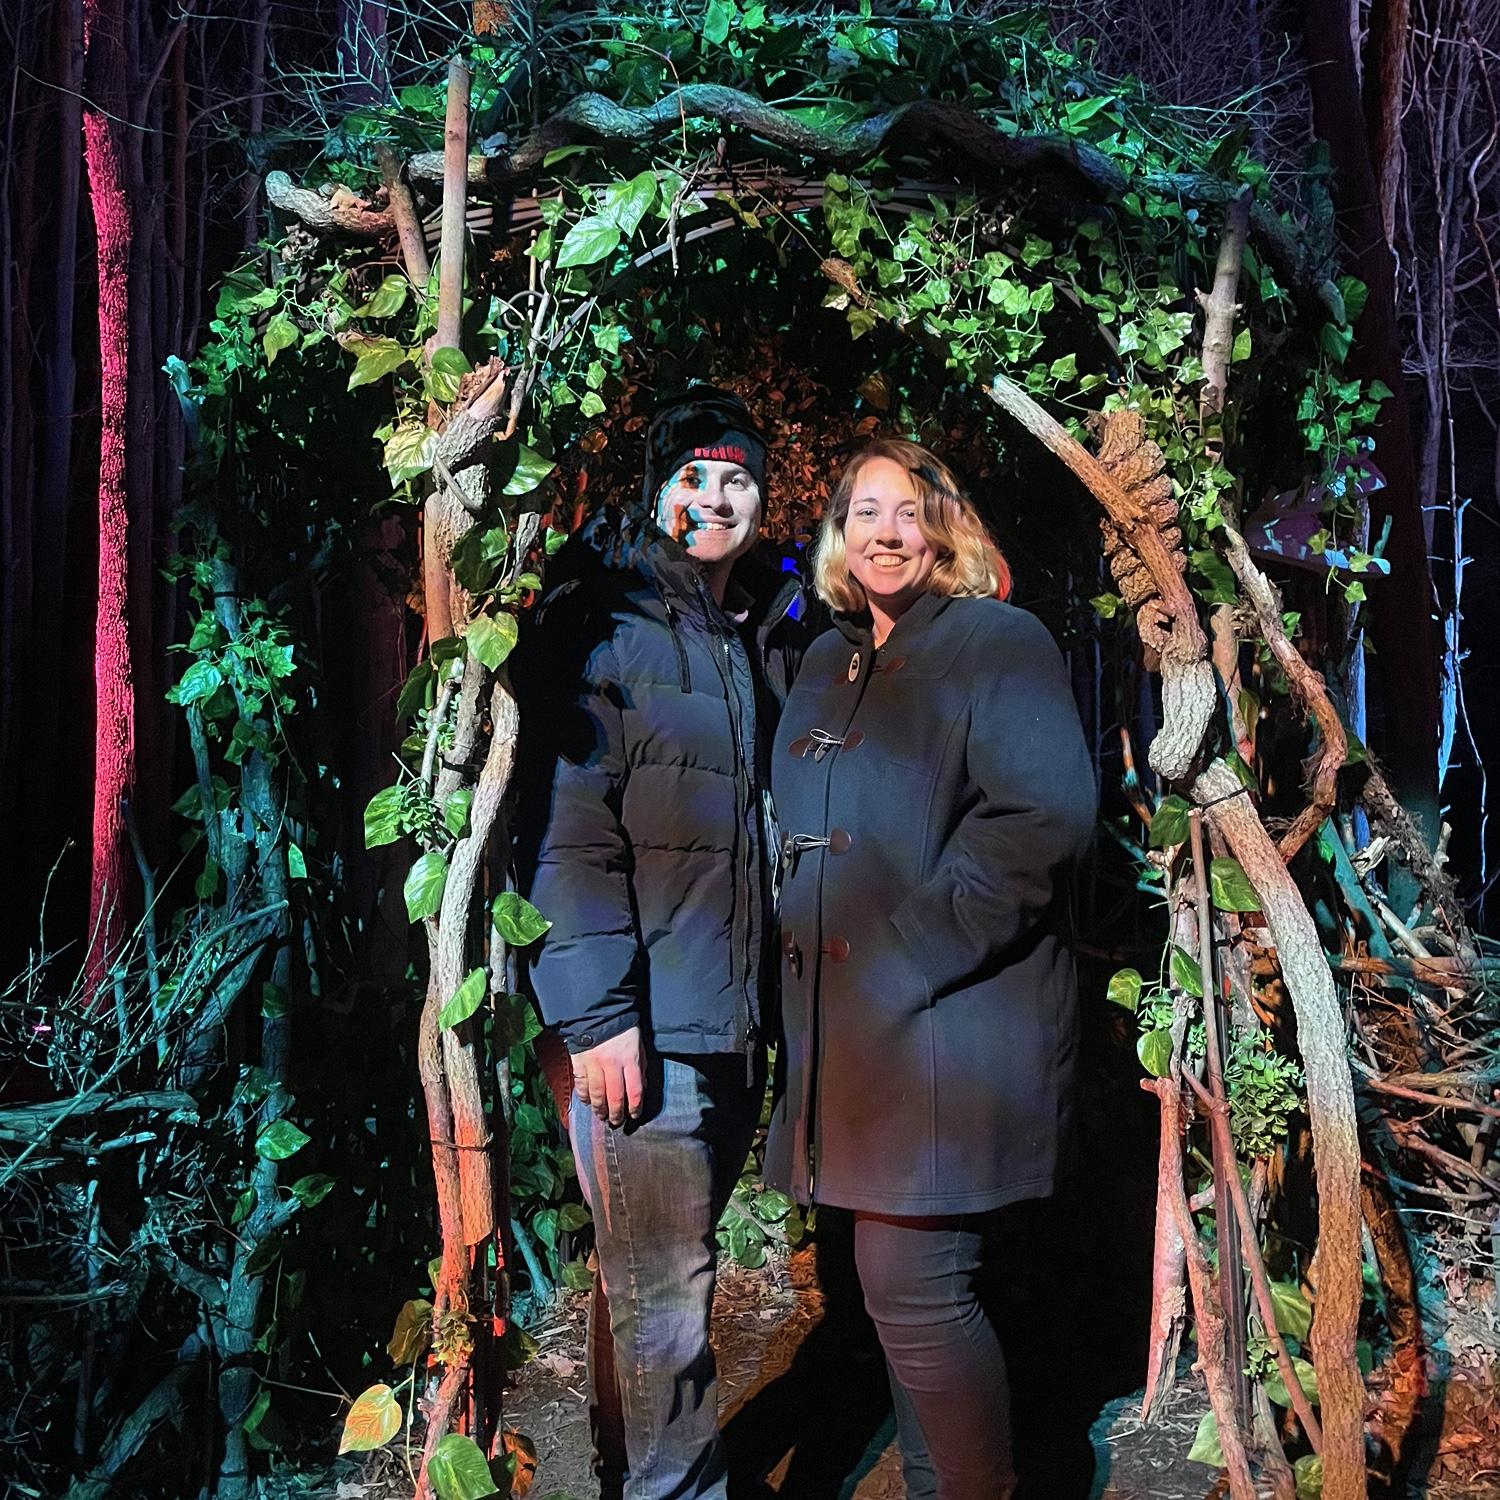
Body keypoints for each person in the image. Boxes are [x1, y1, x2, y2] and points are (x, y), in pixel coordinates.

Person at [766, 439, 1098, 1499]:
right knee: (900, 1295)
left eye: (909, 510)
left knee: (912, 1284)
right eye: (864, 511)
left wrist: (908, 950)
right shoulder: (828, 660)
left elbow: (1043, 819)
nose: (886, 532)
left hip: (950, 1021)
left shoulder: (998, 641)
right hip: (855, 1034)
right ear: (838, 535)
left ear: (946, 529)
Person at [513, 387, 808, 1500]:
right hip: (642, 1029)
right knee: (667, 1306)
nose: (717, 497)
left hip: (722, 1022)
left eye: (739, 478)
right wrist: (595, 1016)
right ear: (656, 492)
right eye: (694, 476)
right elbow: (565, 827)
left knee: (650, 1284)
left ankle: (628, 1473)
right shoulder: (611, 624)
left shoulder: (746, 633)